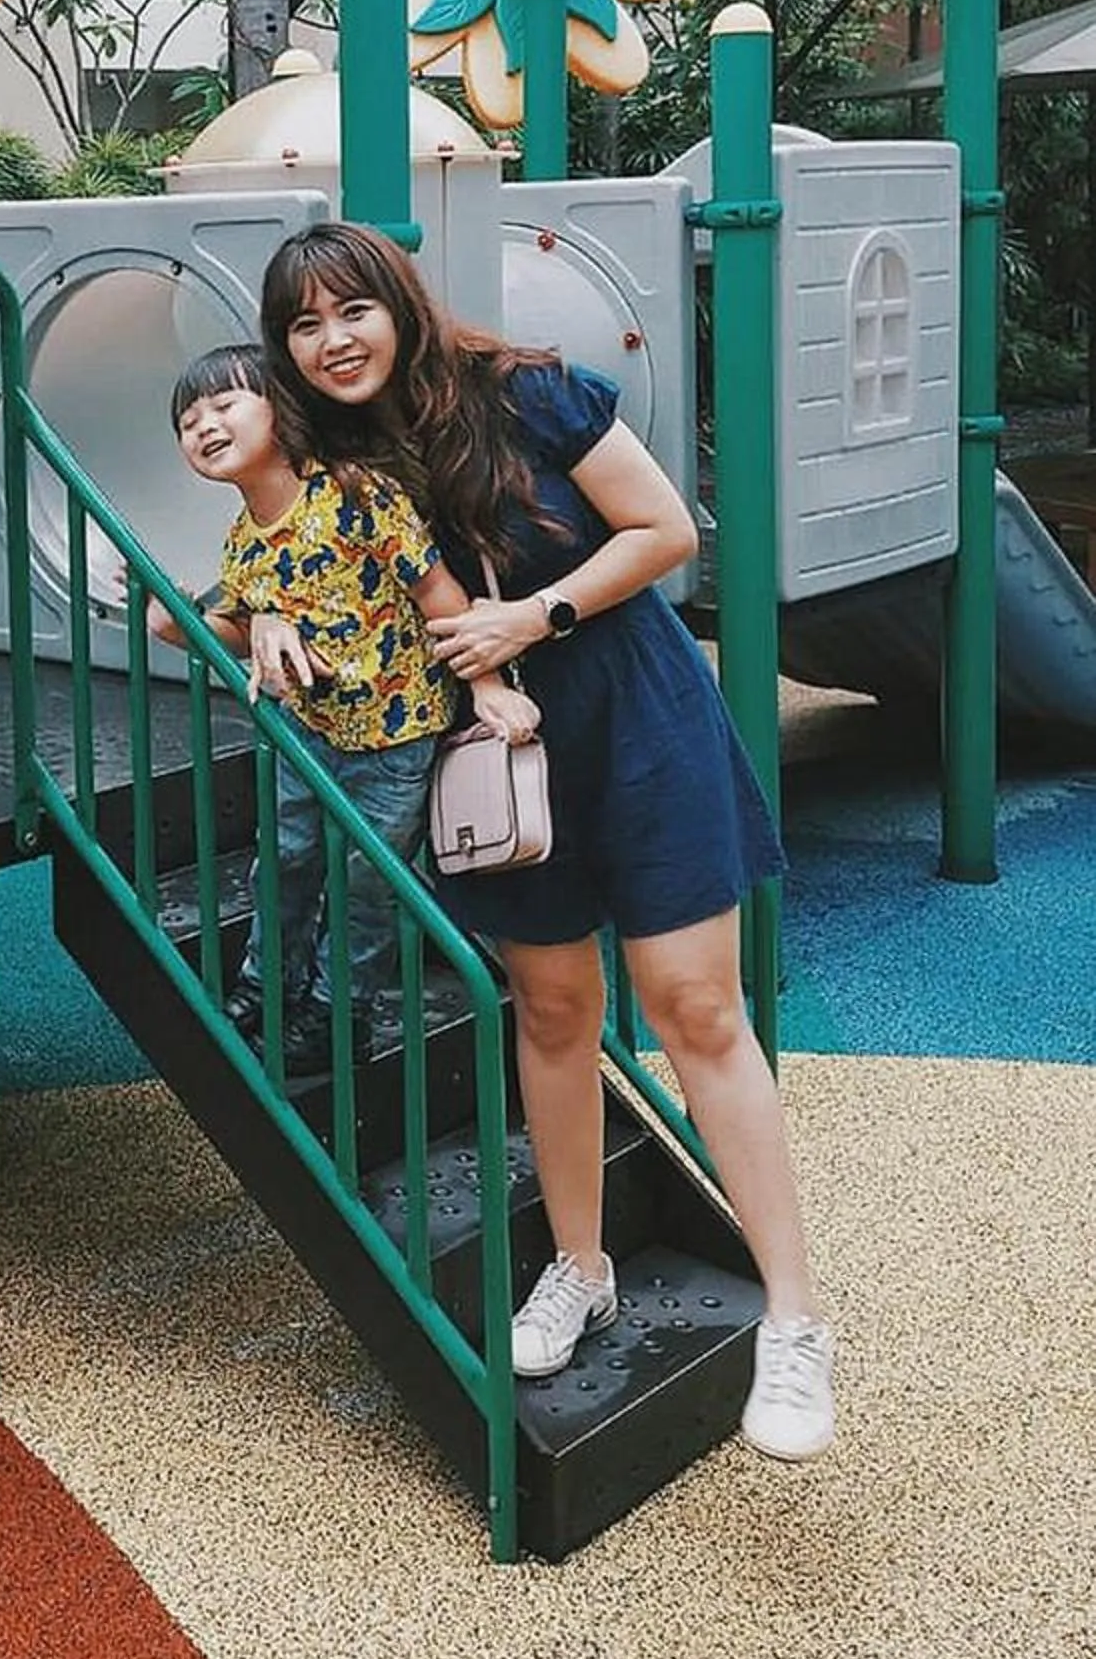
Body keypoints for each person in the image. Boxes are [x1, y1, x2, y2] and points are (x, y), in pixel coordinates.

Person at [258, 223, 835, 1463]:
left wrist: (537, 611)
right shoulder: (330, 461)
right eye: (301, 326)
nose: (330, 341)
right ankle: (579, 1266)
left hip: (629, 711)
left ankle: (792, 1316)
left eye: (346, 309)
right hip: (496, 754)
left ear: (398, 305)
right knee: (553, 1008)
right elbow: (260, 554)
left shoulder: (521, 390)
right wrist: (258, 615)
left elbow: (664, 531)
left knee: (694, 1007)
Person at [162, 342, 538, 1075]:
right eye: (187, 419)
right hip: (310, 735)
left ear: (281, 409)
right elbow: (239, 634)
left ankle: (341, 1013)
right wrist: (173, 618)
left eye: (223, 404)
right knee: (286, 863)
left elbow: (438, 595)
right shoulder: (242, 546)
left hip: (398, 737)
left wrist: (487, 684)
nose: (203, 424)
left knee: (366, 881)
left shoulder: (354, 495)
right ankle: (265, 990)